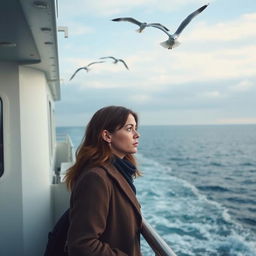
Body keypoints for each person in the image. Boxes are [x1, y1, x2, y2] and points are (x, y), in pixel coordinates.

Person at [65, 106, 142, 256]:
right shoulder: (96, 178)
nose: (137, 134)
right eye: (129, 129)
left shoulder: (120, 171)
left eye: (135, 128)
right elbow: (82, 244)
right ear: (107, 136)